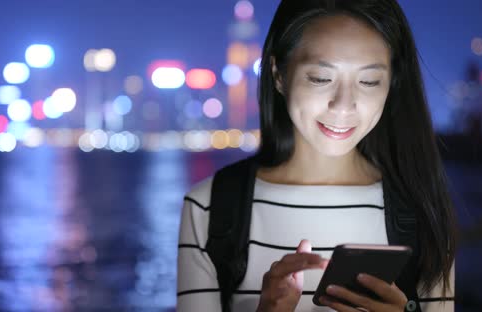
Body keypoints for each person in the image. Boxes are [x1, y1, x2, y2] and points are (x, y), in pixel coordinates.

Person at [177, 0, 457, 311]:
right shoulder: (210, 206)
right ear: (278, 74)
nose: (343, 105)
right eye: (321, 78)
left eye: (368, 81)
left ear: (391, 83)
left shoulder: (421, 209)